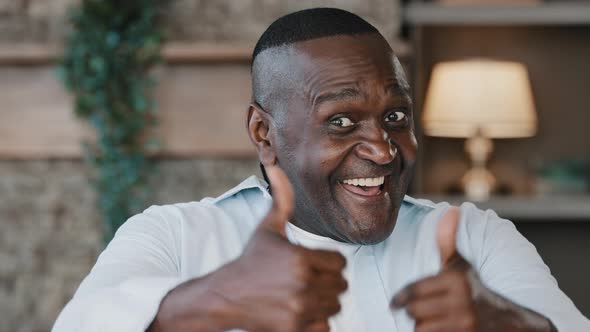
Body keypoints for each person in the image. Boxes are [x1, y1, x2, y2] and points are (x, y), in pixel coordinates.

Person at [53, 8, 589, 332]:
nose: (382, 149)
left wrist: (505, 323)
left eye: (395, 116)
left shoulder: (474, 237)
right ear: (265, 136)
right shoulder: (174, 236)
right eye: (342, 121)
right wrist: (216, 301)